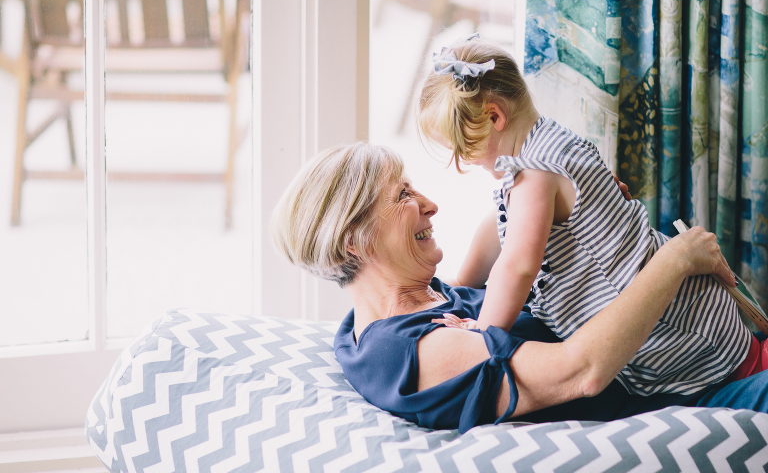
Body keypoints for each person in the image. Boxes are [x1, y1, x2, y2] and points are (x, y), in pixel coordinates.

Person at [270, 142, 768, 433]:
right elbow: (583, 372)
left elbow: (489, 277)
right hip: (694, 394)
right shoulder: (404, 355)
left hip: (698, 358)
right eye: (402, 195)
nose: (430, 204)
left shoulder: (401, 306)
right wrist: (674, 262)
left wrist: (561, 197)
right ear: (354, 242)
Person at [416, 35, 762, 397]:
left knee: (733, 375)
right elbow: (501, 229)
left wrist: (482, 336)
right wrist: (459, 285)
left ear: (494, 116)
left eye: (463, 149)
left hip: (674, 326)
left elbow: (517, 265)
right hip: (690, 306)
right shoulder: (549, 142)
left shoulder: (533, 173)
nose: (463, 163)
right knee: (741, 359)